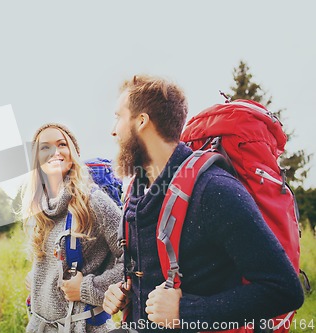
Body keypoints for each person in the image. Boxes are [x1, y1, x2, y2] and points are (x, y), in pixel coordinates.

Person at [102, 75, 304, 332]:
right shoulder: (137, 193)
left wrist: (185, 311)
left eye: (118, 117)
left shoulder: (213, 189)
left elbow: (284, 291)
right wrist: (126, 292)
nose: (113, 130)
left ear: (141, 121)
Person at [21, 123, 123, 332]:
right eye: (45, 147)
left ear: (73, 153)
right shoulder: (40, 209)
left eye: (61, 144)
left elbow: (135, 256)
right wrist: (39, 280)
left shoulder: (94, 202)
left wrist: (88, 288)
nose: (55, 152)